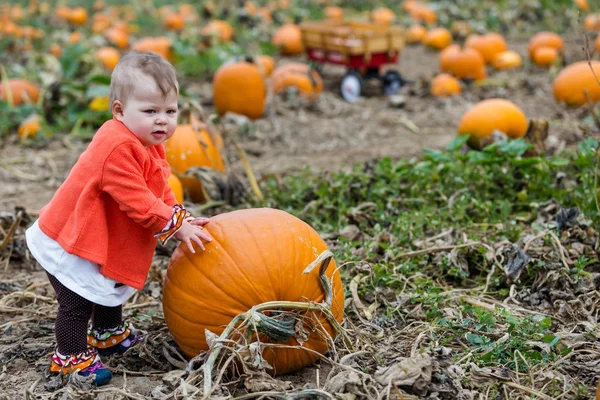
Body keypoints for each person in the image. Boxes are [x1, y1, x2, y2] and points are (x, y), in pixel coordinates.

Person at [25, 51, 213, 386]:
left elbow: (157, 184)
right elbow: (138, 200)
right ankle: (70, 357)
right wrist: (172, 225)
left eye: (170, 111)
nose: (162, 121)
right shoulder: (116, 146)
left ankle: (107, 332)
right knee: (76, 301)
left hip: (96, 236)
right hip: (70, 240)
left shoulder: (146, 142)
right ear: (119, 111)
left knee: (108, 284)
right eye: (151, 111)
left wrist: (178, 216)